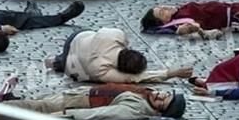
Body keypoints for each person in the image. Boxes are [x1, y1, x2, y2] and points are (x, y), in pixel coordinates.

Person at [0, 83, 186, 120]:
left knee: (27, 108)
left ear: (161, 111)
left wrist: (68, 114)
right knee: (28, 105)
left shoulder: (138, 108)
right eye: (165, 93)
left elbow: (104, 113)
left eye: (164, 100)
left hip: (73, 104)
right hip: (76, 95)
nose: (160, 94)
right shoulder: (146, 94)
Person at [44, 25, 193, 84]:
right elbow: (136, 78)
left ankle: (58, 60)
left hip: (78, 37)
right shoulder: (102, 71)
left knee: (87, 46)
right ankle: (58, 62)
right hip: (71, 64)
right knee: (73, 65)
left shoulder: (116, 35)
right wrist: (169, 73)